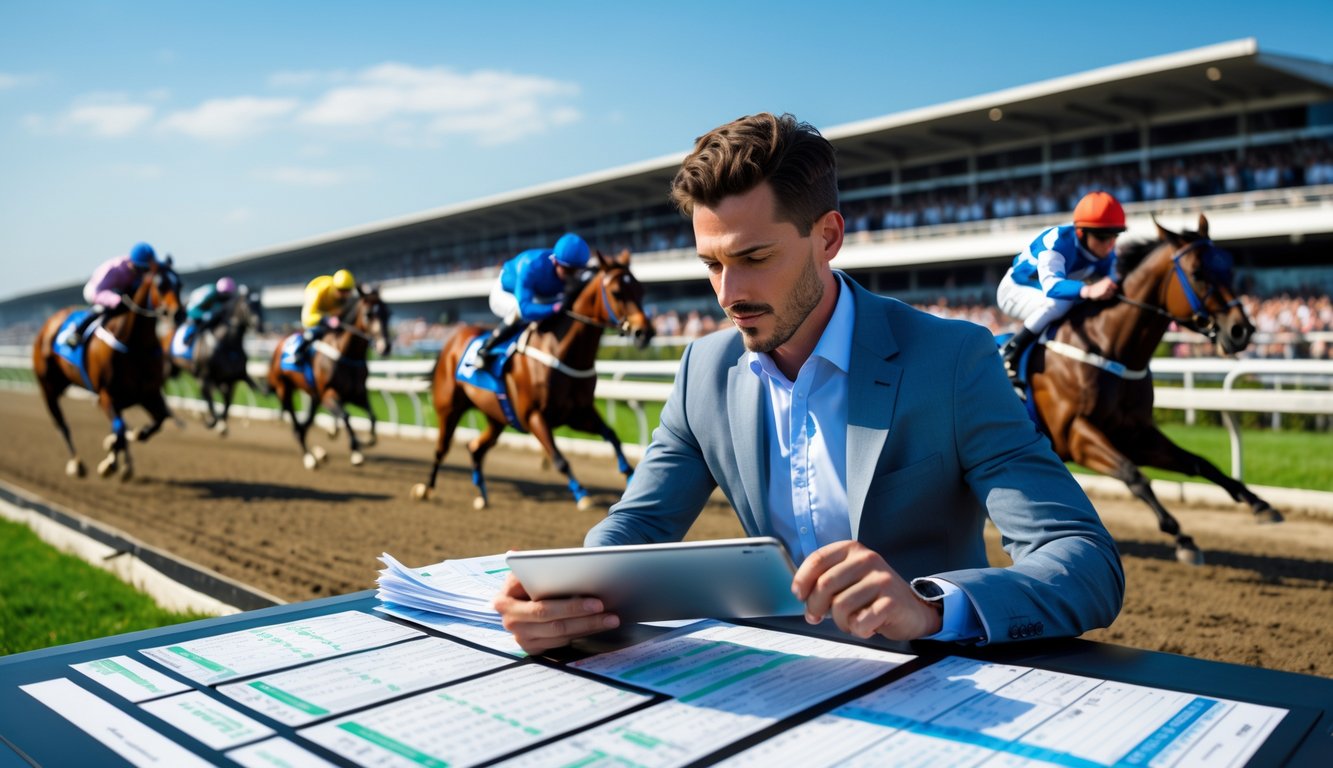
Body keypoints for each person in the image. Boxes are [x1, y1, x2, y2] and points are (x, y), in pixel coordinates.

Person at [494, 112, 1124, 655]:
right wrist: (567, 596)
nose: (728, 294)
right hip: (774, 682)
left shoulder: (954, 359)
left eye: (754, 258)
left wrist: (932, 608)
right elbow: (635, 527)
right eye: (711, 264)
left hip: (932, 683)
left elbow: (1084, 560)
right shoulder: (702, 373)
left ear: (827, 237)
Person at [995, 191, 1127, 377]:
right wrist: (1088, 290)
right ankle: (1011, 351)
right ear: (1081, 233)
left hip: (1046, 295)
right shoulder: (1057, 242)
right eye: (1103, 237)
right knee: (1062, 301)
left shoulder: (1106, 254)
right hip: (1014, 291)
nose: (1110, 245)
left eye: (1114, 236)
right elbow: (1052, 287)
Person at [475, 233, 590, 362]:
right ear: (555, 261)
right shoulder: (531, 265)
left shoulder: (574, 271)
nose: (573, 276)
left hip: (539, 296)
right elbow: (525, 308)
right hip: (506, 294)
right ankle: (486, 348)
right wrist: (555, 308)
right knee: (518, 312)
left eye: (577, 271)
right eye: (568, 271)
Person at [65, 242, 158, 348]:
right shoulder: (114, 269)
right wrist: (115, 300)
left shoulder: (138, 266)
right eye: (144, 270)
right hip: (96, 291)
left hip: (119, 292)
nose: (145, 273)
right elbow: (97, 293)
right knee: (103, 309)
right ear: (135, 265)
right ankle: (77, 333)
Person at [295, 268, 355, 359]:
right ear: (334, 287)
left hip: (332, 319)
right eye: (341, 291)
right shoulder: (317, 293)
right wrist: (325, 319)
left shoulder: (347, 298)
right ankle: (298, 353)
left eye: (347, 291)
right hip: (315, 318)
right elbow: (307, 319)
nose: (344, 295)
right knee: (313, 333)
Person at [180, 276, 237, 348]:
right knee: (195, 323)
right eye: (226, 295)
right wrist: (203, 315)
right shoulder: (208, 294)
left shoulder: (222, 295)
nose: (227, 298)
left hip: (209, 312)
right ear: (221, 292)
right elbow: (191, 310)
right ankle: (187, 339)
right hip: (194, 311)